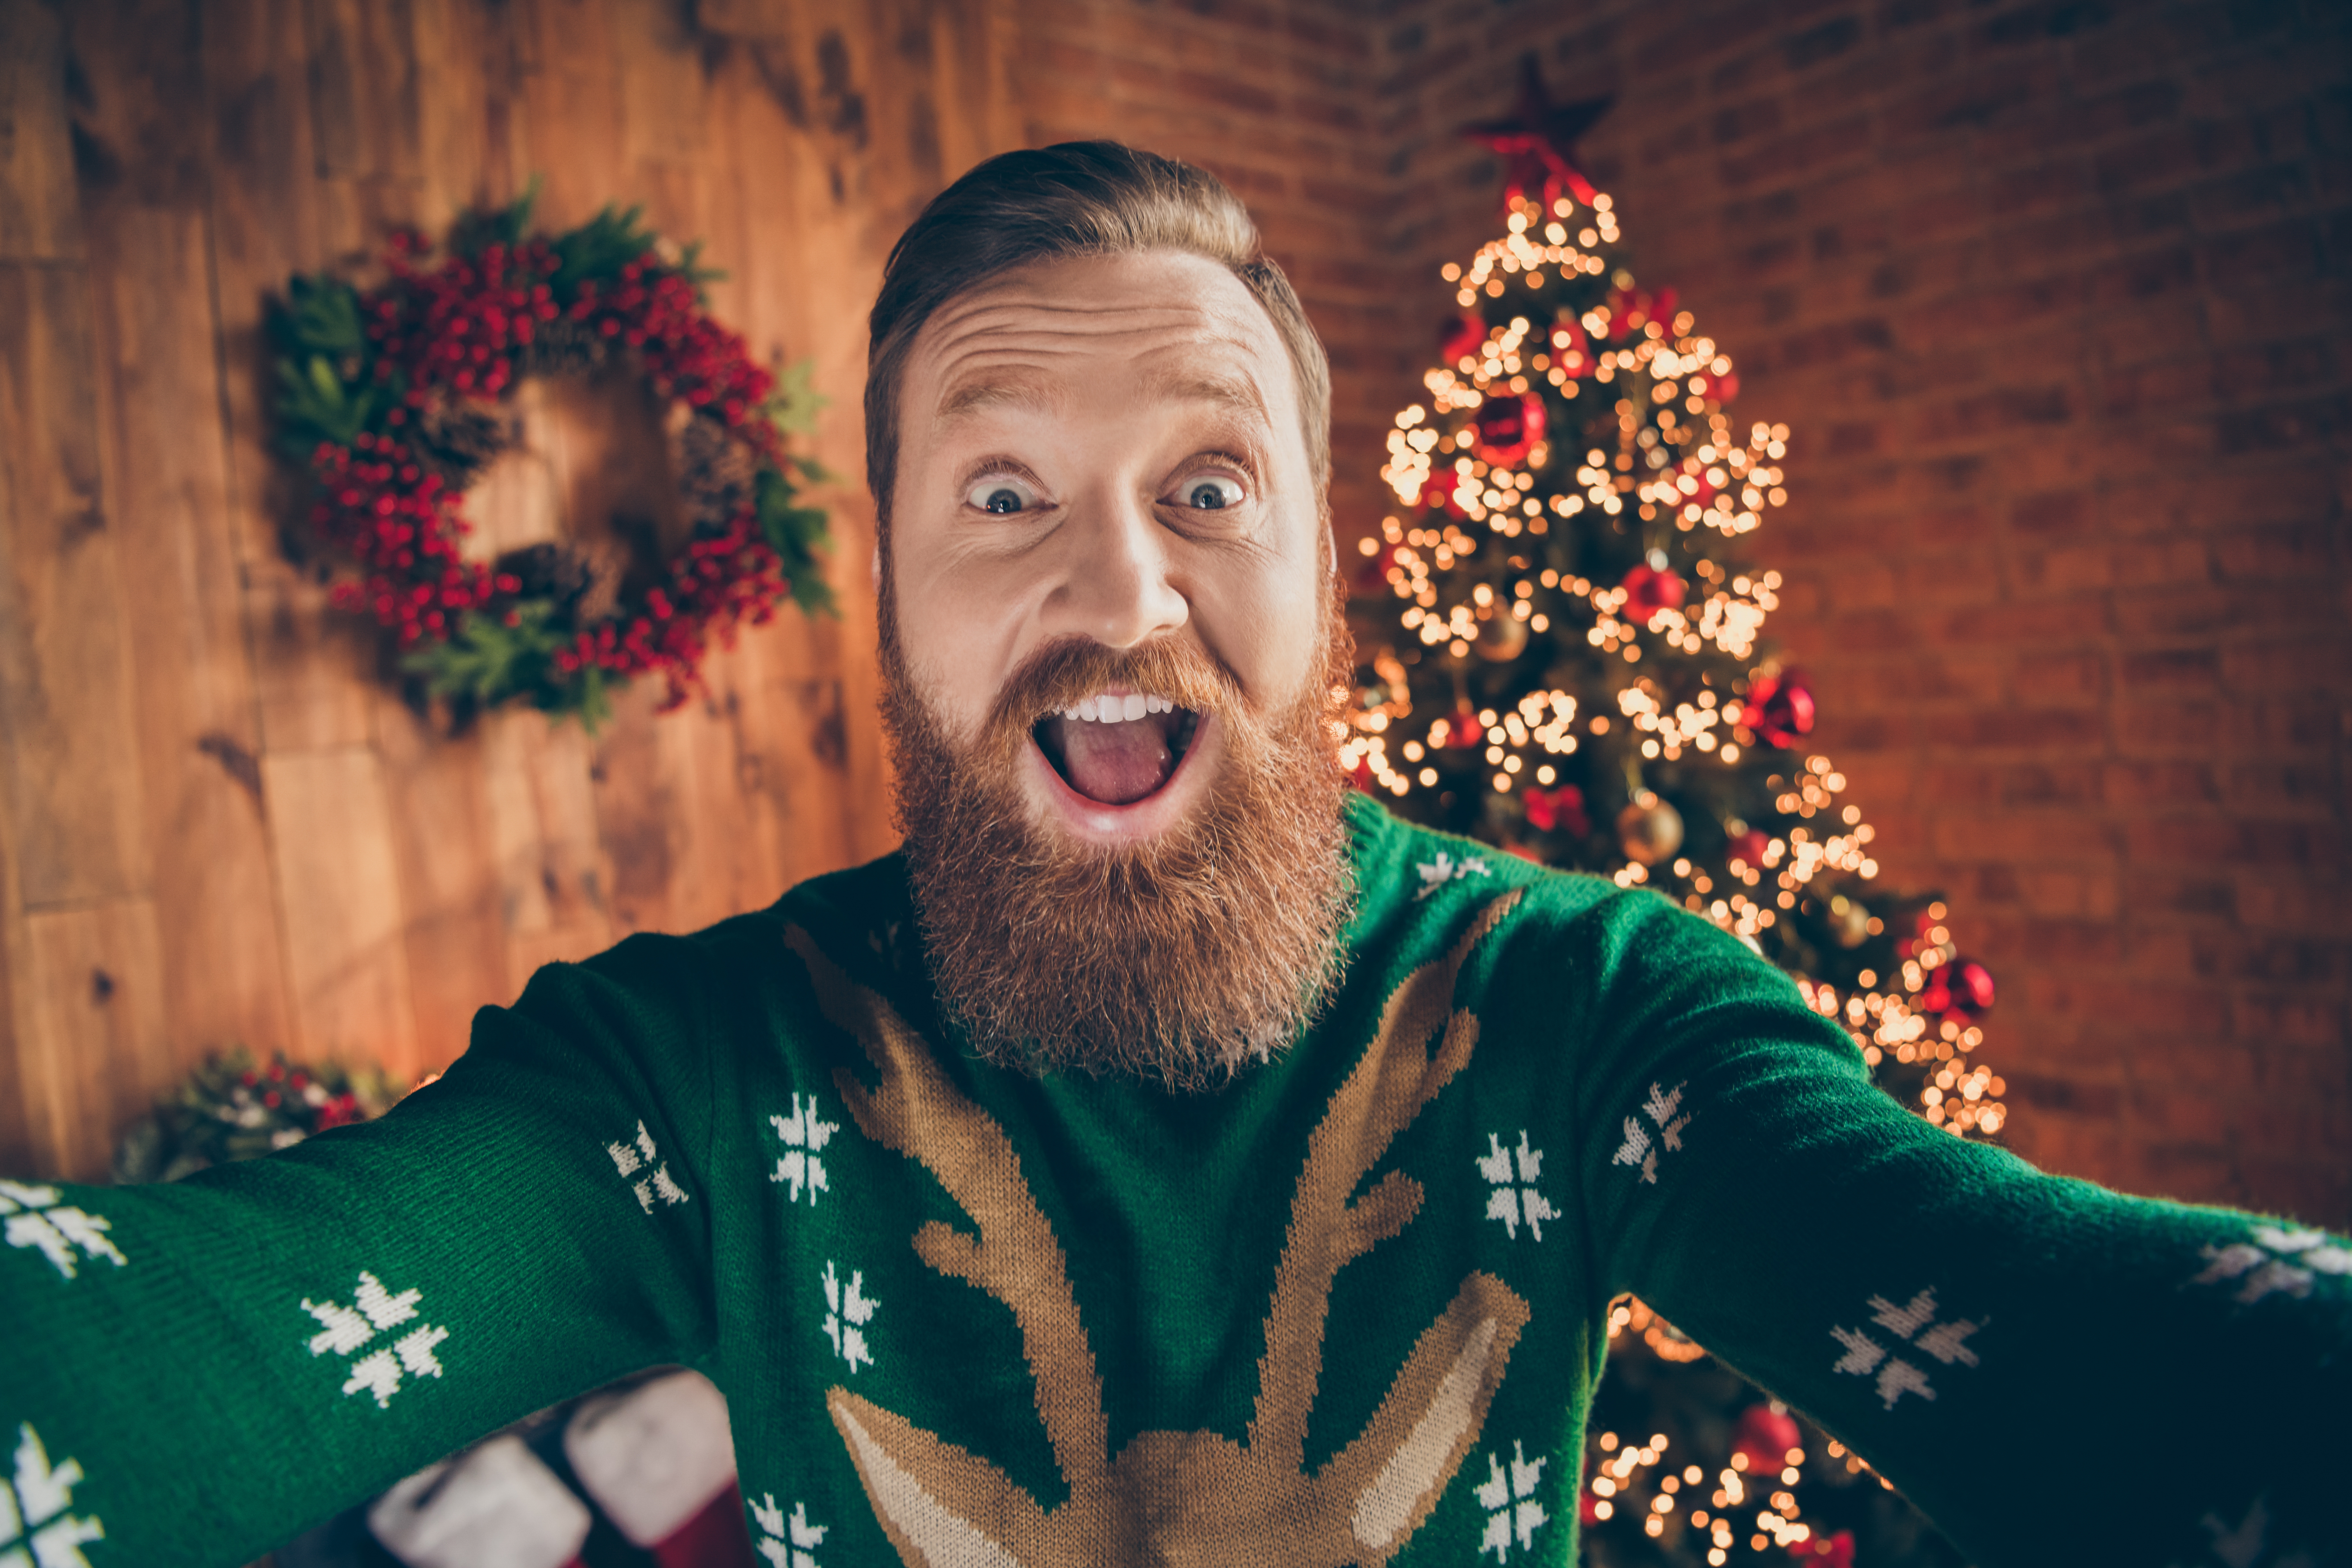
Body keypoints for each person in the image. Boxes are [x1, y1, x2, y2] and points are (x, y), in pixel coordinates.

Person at [3, 141, 2345, 1568]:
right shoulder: (685, 1084)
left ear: (1330, 565)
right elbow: (151, 1369)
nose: (1118, 592)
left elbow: (2115, 1350)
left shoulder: (1587, 1015)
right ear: (889, 585)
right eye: (1002, 492)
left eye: (1208, 489)